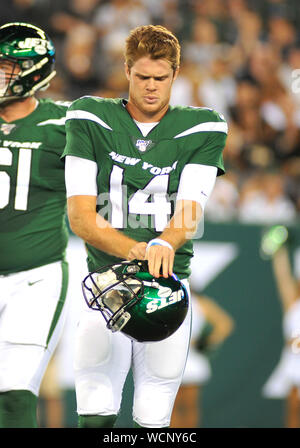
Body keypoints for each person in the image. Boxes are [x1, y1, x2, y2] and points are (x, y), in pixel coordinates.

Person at [63, 24, 227, 428]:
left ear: (176, 73)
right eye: (142, 77)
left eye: (161, 77)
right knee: (96, 411)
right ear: (126, 70)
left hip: (166, 286)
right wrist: (136, 249)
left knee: (154, 417)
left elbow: (190, 209)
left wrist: (163, 245)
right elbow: (81, 216)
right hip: (106, 284)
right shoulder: (90, 116)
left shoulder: (203, 126)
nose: (151, 87)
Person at [0, 22, 70, 428]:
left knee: (14, 389)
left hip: (36, 277)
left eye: (6, 67)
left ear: (31, 70)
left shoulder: (68, 123)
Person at [171, 292, 234, 428]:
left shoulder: (199, 302)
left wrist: (205, 342)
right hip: (169, 357)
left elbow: (225, 323)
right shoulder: (166, 298)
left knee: (189, 404)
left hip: (192, 361)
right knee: (170, 407)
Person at [261, 226, 300, 428]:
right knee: (293, 409)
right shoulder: (293, 303)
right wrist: (279, 249)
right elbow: (283, 275)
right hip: (294, 364)